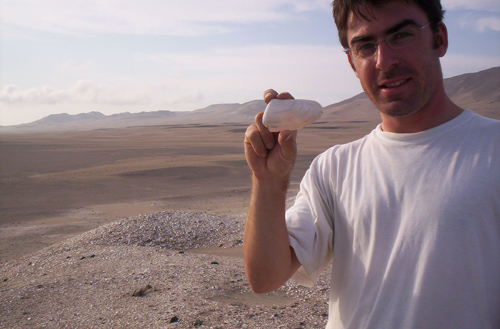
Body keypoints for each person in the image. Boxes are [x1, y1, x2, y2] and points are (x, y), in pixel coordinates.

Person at [243, 0, 500, 328]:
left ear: (439, 38)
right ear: (351, 61)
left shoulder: (493, 149)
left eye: (402, 35)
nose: (384, 60)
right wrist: (267, 182)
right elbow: (266, 277)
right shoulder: (334, 167)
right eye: (365, 45)